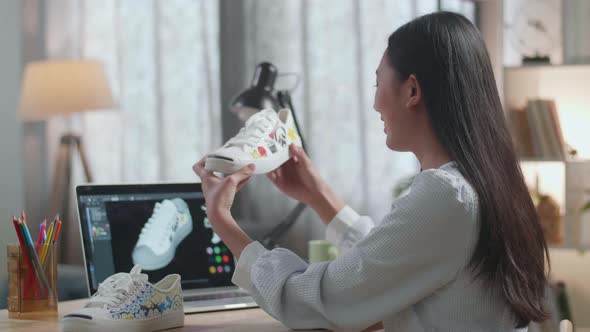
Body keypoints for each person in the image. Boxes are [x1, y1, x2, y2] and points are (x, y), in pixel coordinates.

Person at [193, 11, 548, 331]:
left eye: (378, 83)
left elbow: (326, 301)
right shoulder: (485, 184)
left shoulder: (447, 196)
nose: (376, 102)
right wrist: (318, 196)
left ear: (411, 90)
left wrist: (223, 221)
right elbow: (387, 265)